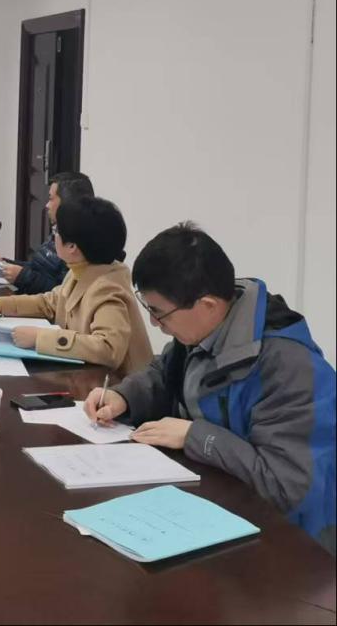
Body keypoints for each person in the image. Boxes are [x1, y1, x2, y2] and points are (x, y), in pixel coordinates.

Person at [84, 223, 335, 554]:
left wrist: (196, 437)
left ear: (207, 305)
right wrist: (124, 396)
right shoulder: (203, 329)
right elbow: (164, 372)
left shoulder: (290, 369)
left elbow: (286, 487)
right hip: (214, 511)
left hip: (291, 548)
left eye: (159, 313)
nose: (155, 324)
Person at [0, 196, 152, 375]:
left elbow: (108, 348)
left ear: (72, 247)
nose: (53, 237)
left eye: (56, 231)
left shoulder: (108, 289)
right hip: (84, 378)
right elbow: (50, 302)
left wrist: (39, 338)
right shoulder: (82, 269)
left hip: (117, 388)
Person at [0, 172, 94, 293]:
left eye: (51, 199)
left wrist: (22, 276)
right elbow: (36, 267)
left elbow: (62, 293)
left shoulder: (80, 244)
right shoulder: (58, 230)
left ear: (67, 204)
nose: (47, 205)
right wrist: (4, 263)